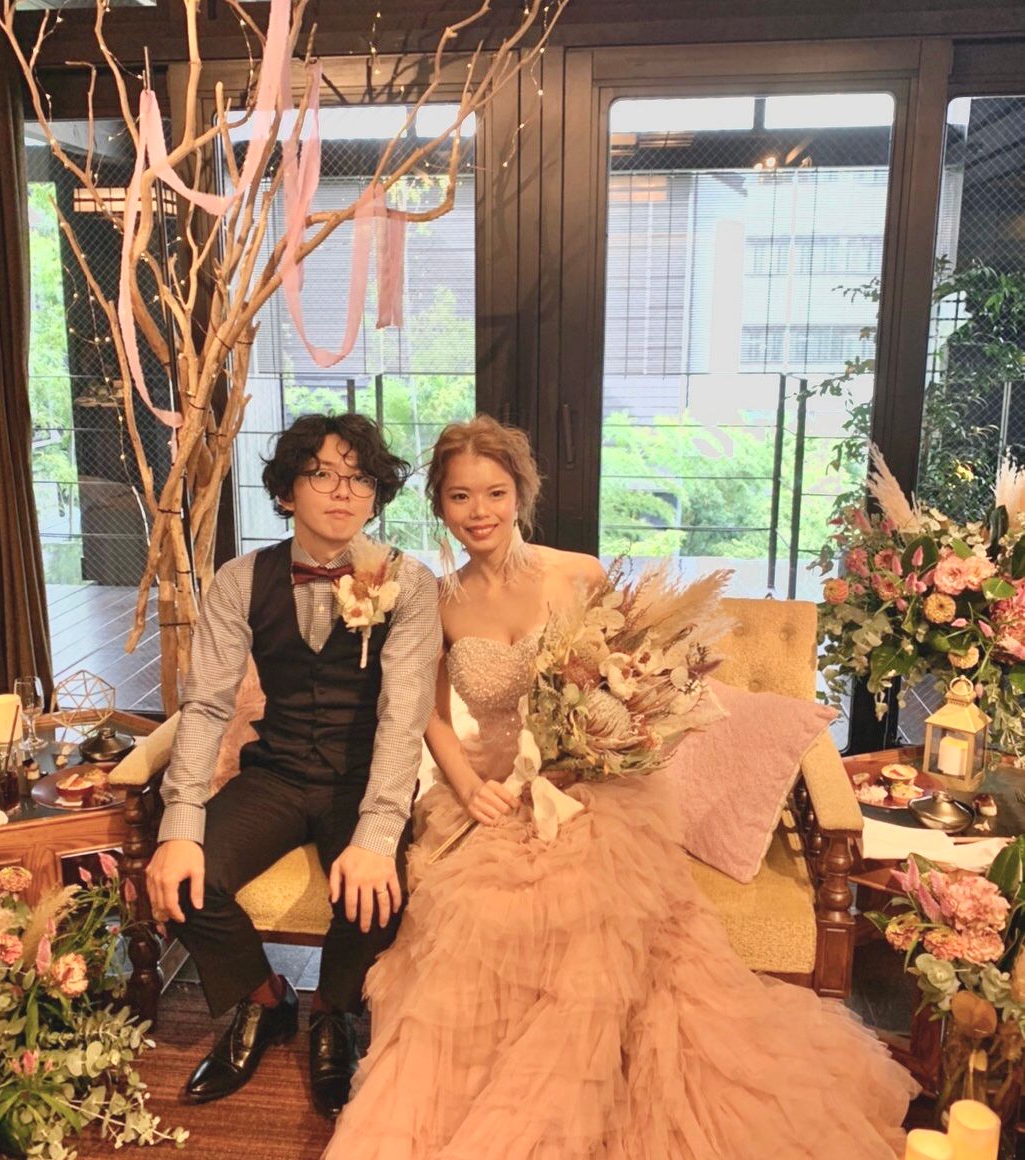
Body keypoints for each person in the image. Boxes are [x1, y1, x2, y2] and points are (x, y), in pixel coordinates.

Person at [323, 414, 917, 1159]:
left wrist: (586, 755)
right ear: (439, 503)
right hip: (494, 790)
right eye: (460, 496)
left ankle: (580, 1098)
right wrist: (468, 783)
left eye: (495, 493)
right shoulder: (437, 597)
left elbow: (633, 689)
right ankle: (497, 1093)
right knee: (463, 913)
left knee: (590, 920)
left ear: (520, 493)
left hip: (591, 789)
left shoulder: (577, 574)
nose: (479, 512)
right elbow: (428, 713)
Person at [146, 413, 441, 1116]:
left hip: (363, 778)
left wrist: (377, 833)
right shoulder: (239, 580)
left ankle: (333, 1013)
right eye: (321, 474)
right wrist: (180, 822)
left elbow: (404, 716)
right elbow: (206, 705)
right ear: (286, 492)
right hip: (275, 773)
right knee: (182, 878)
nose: (342, 491)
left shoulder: (408, 581)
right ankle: (265, 999)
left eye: (359, 479)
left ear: (376, 496)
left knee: (381, 894)